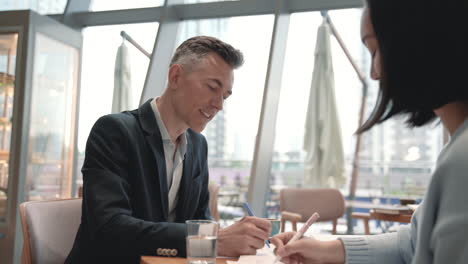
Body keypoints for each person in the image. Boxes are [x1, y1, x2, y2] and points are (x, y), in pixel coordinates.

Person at [272, 1, 468, 263]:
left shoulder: (462, 160)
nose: (375, 73)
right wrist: (325, 249)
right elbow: (414, 241)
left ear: (420, 41)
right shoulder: (456, 148)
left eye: (375, 49)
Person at [66, 36, 271, 264]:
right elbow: (111, 227)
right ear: (175, 77)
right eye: (212, 87)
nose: (219, 105)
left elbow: (200, 221)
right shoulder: (114, 132)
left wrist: (236, 238)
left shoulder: (198, 145)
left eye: (225, 96)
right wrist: (215, 239)